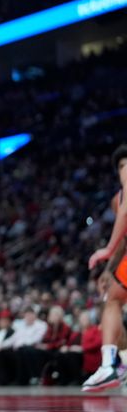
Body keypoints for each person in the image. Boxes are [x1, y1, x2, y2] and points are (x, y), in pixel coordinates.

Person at [84, 144, 127, 391]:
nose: (125, 170)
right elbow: (123, 235)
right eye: (121, 166)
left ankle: (110, 365)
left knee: (113, 301)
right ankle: (115, 364)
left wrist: (108, 250)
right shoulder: (116, 200)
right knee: (113, 299)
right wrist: (110, 269)